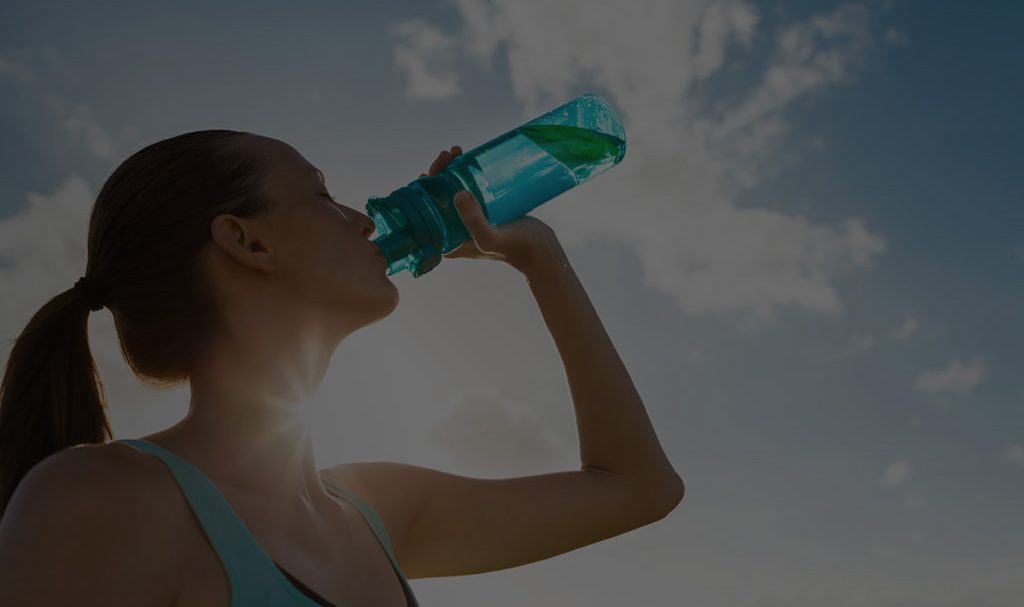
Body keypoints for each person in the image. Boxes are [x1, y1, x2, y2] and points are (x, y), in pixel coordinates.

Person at [0, 130, 684, 606]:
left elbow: (641, 487)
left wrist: (539, 258)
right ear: (247, 239)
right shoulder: (101, 500)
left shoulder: (374, 511)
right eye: (322, 195)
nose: (362, 219)